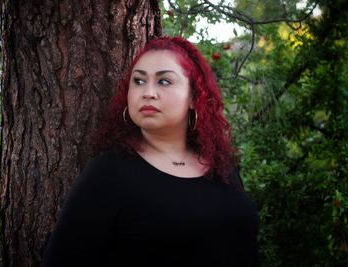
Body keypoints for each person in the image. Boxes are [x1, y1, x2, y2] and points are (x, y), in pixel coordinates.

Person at [43, 36, 259, 266]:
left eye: (164, 81)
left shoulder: (221, 166)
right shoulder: (109, 172)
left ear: (194, 97)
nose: (148, 92)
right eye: (138, 81)